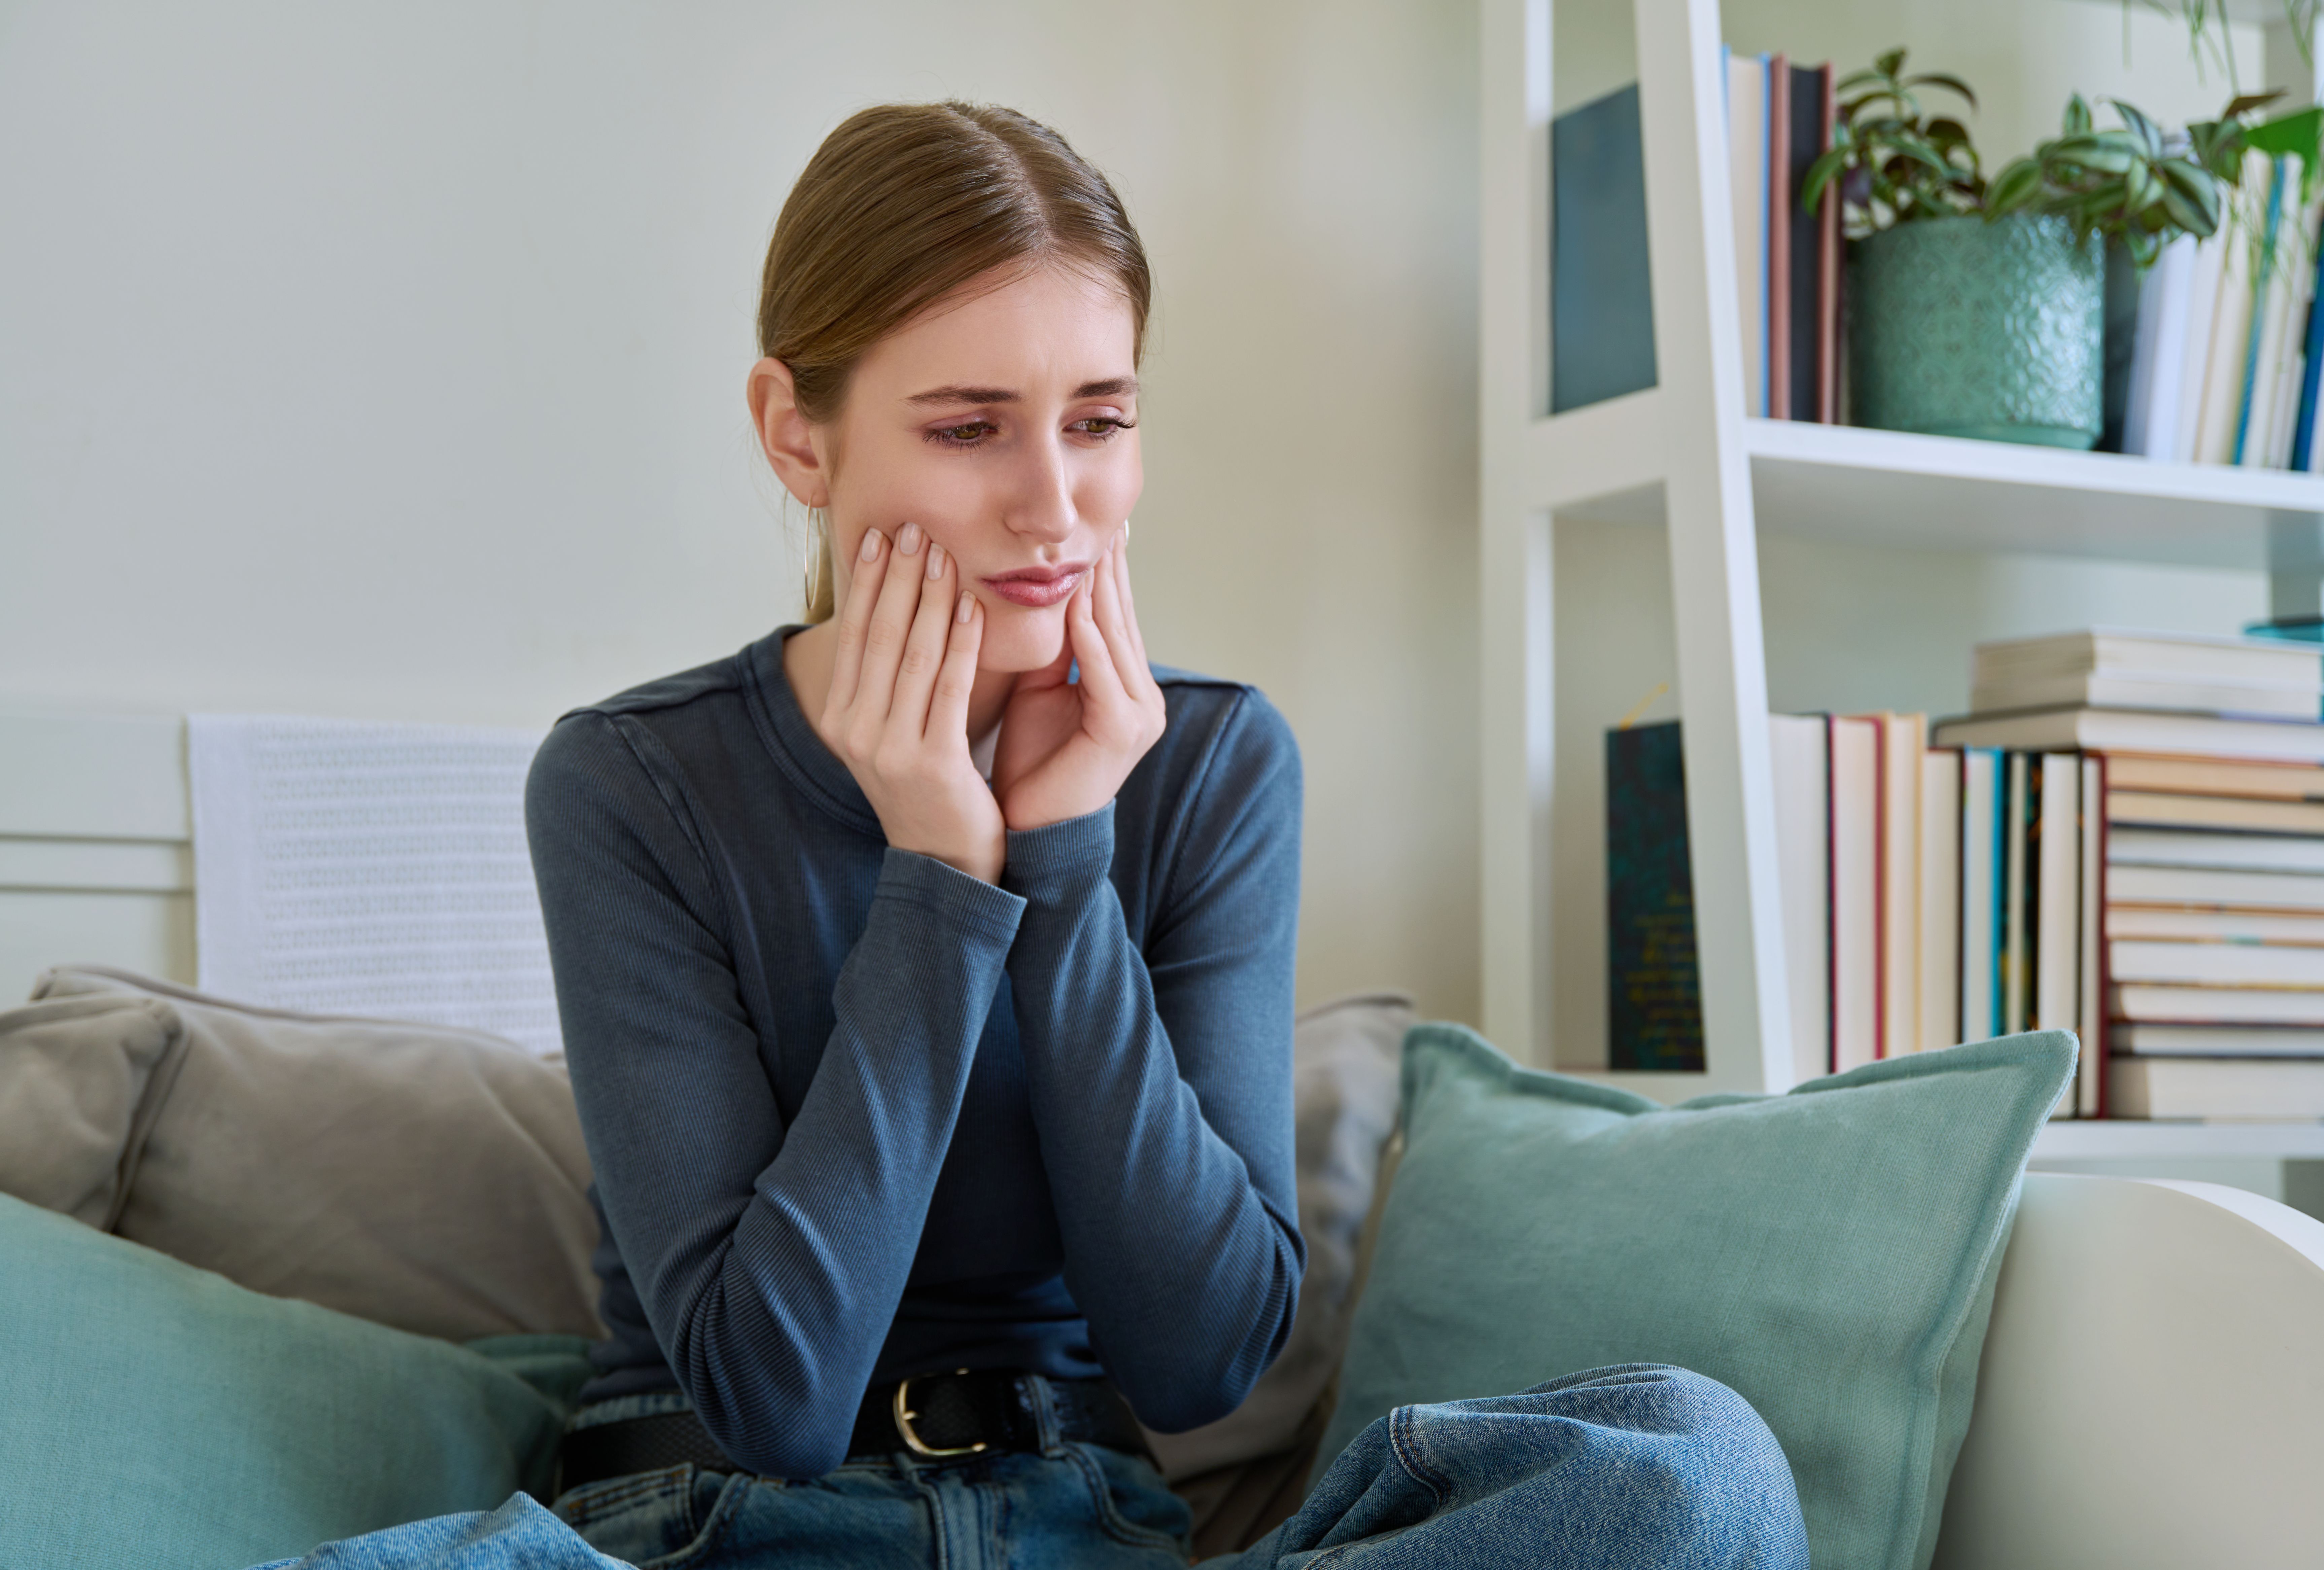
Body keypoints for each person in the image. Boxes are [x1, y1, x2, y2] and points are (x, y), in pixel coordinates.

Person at [252, 101, 1807, 1570]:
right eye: (969, 429)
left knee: (1685, 1466)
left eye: (1100, 421)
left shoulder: (1209, 765)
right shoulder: (630, 785)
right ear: (797, 433)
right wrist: (939, 873)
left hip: (1087, 1520)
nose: (1055, 508)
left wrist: (1061, 859)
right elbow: (772, 1397)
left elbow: (1200, 1359)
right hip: (719, 1523)